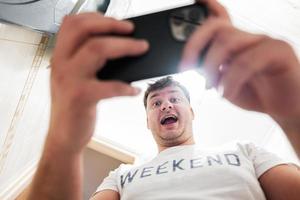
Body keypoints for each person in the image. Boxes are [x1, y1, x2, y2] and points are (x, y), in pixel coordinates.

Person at [27, 0, 300, 199]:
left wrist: (294, 114)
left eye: (174, 99)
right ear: (148, 121)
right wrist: (63, 142)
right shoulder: (121, 176)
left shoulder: (246, 151)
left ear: (192, 112)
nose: (166, 105)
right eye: (156, 103)